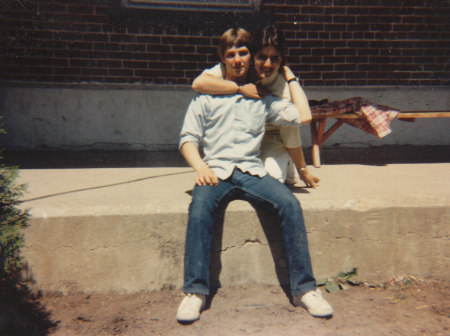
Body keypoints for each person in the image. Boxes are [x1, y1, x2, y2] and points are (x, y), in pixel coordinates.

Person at [176, 27, 333, 324]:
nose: (238, 59)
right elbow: (187, 139)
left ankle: (305, 290)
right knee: (199, 210)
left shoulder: (262, 97)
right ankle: (195, 292)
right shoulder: (207, 95)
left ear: (250, 56)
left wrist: (290, 75)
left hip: (250, 170)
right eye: (231, 54)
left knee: (288, 203)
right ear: (223, 58)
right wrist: (200, 168)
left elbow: (303, 115)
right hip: (216, 171)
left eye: (243, 52)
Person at [192, 24, 320, 188]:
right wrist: (240, 89)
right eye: (262, 57)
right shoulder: (240, 69)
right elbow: (199, 83)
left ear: (281, 61)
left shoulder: (280, 87)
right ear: (253, 55)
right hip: (241, 137)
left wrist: (303, 170)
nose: (267, 64)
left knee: (267, 184)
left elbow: (298, 124)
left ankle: (287, 167)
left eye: (274, 59)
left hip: (269, 141)